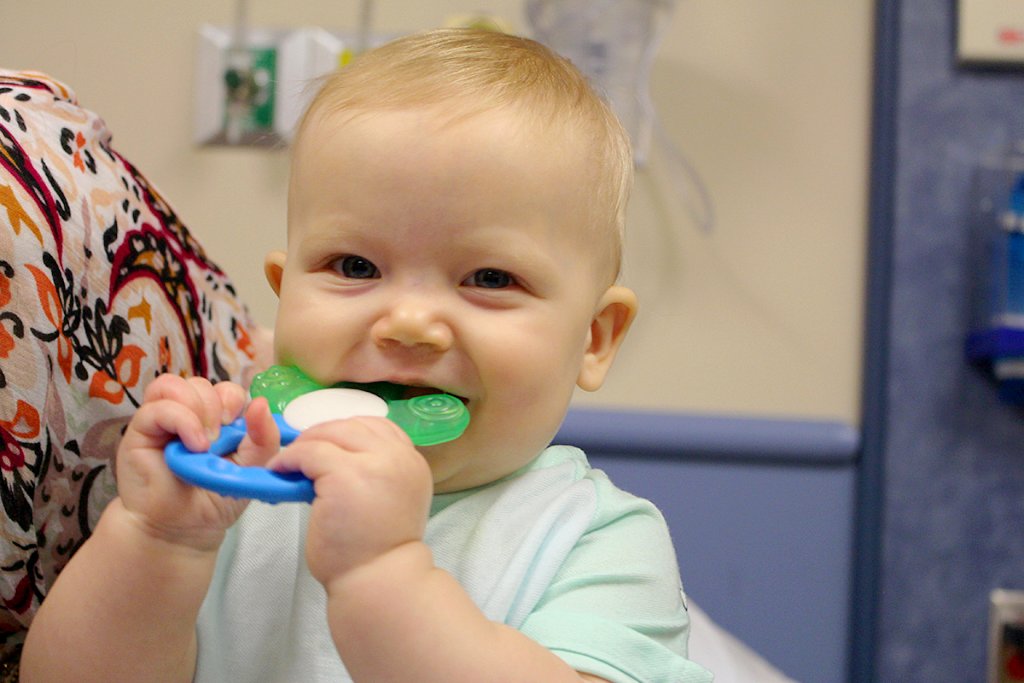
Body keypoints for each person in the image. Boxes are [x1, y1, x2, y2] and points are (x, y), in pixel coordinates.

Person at [21, 28, 713, 683]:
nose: (409, 322)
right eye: (355, 265)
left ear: (593, 338)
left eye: (491, 279)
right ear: (285, 292)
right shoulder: (232, 487)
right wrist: (154, 538)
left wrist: (382, 575)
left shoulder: (598, 543)